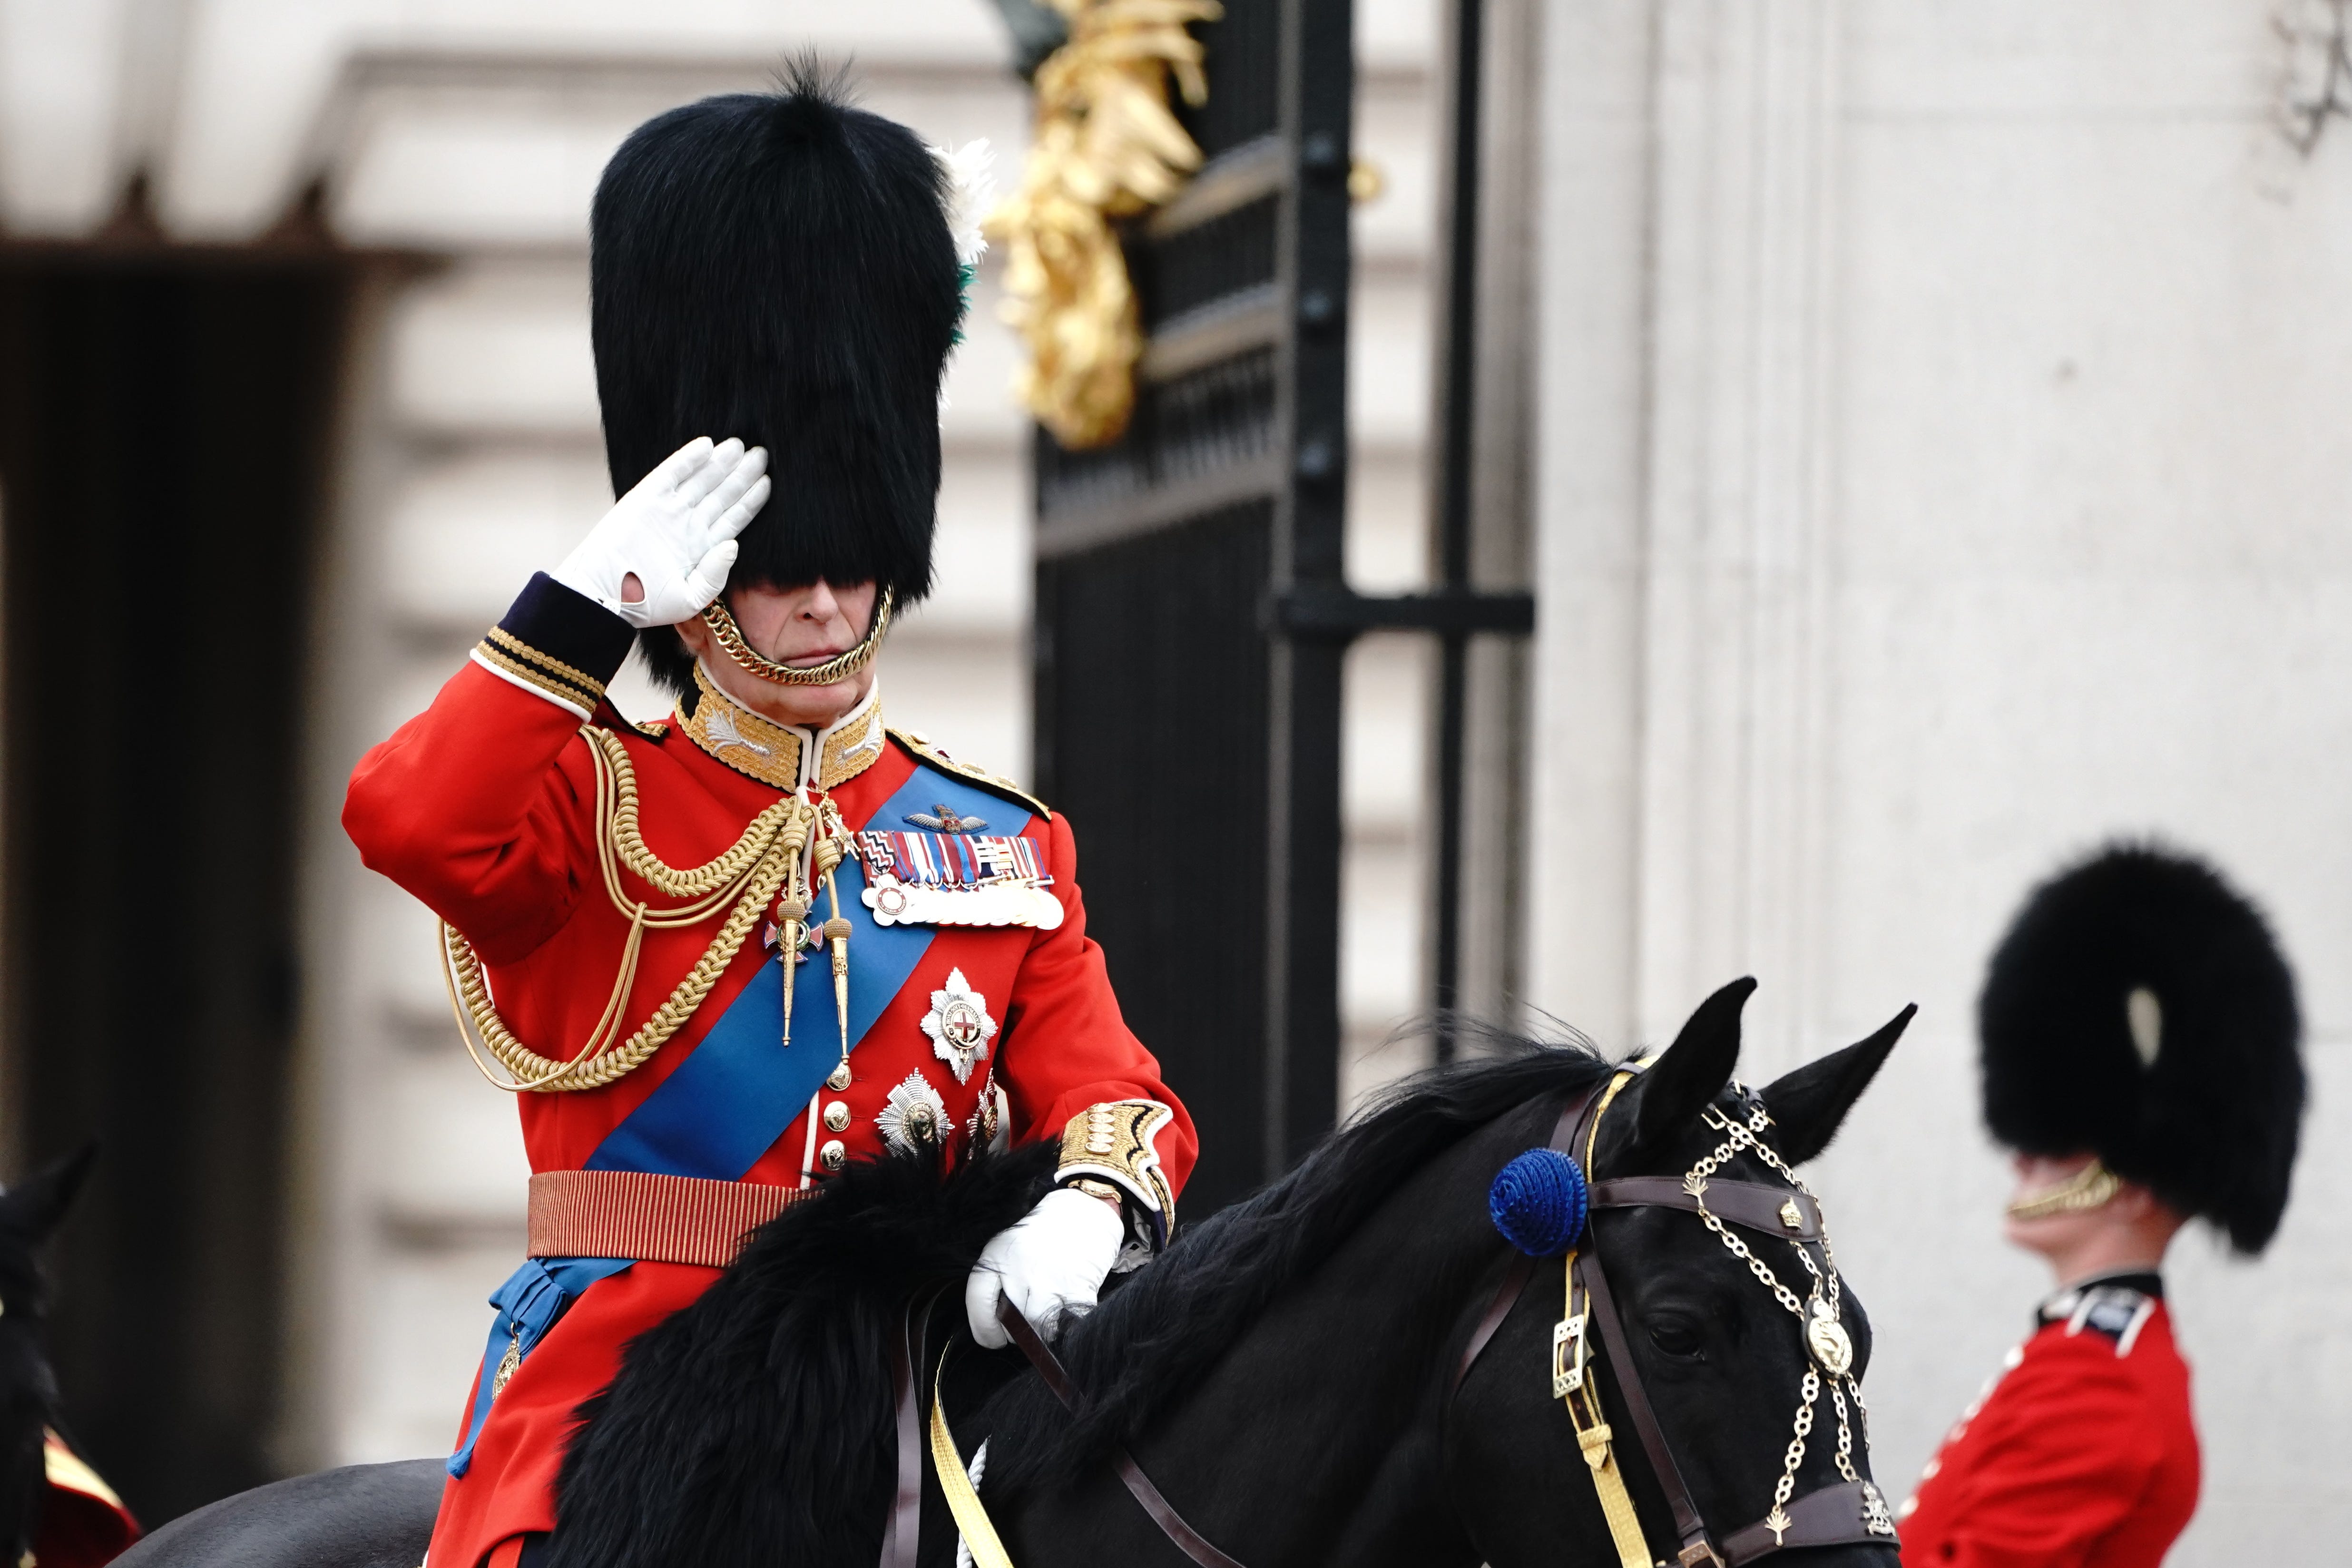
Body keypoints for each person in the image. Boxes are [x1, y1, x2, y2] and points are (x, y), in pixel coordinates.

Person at [343, 71, 1196, 1568]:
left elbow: (1122, 1100)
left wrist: (1082, 1217)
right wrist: (584, 606)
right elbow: (410, 820)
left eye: (851, 559)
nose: (819, 594)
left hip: (908, 1413)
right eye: (781, 561)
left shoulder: (1000, 843)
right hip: (625, 1413)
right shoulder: (591, 793)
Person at [1897, 844, 2304, 1568]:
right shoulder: (2084, 1358)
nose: (2023, 1157)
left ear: (2138, 1182)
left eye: (2058, 1142)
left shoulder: (2096, 1389)